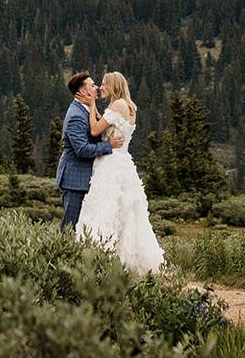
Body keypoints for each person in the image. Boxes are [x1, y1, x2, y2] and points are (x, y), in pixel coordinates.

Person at [75, 71, 167, 274]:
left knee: (106, 208)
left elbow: (95, 130)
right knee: (126, 213)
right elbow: (109, 123)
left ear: (114, 86)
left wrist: (91, 106)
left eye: (104, 84)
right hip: (124, 162)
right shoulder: (129, 107)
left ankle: (103, 258)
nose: (100, 87)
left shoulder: (117, 105)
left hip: (110, 164)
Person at [55, 71, 123, 232]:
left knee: (85, 226)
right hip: (74, 181)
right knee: (71, 225)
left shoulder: (87, 110)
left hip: (87, 178)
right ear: (83, 91)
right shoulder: (76, 116)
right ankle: (64, 254)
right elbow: (82, 150)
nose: (97, 87)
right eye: (93, 85)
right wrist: (109, 145)